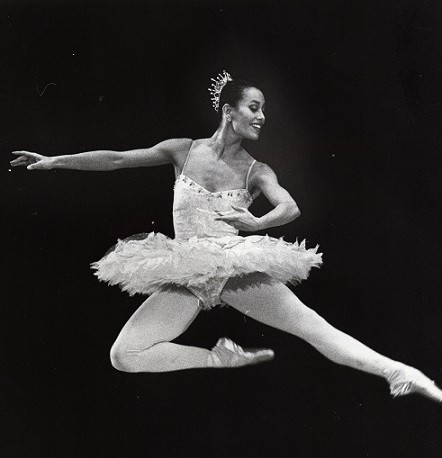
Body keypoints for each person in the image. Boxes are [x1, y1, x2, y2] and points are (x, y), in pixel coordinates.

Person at [10, 70, 442, 402]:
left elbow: (289, 207)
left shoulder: (257, 170)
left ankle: (398, 371)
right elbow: (118, 159)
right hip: (189, 269)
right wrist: (54, 161)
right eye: (254, 107)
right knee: (125, 356)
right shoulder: (182, 150)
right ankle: (220, 359)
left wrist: (256, 224)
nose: (261, 116)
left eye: (263, 109)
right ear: (228, 111)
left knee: (314, 328)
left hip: (235, 265)